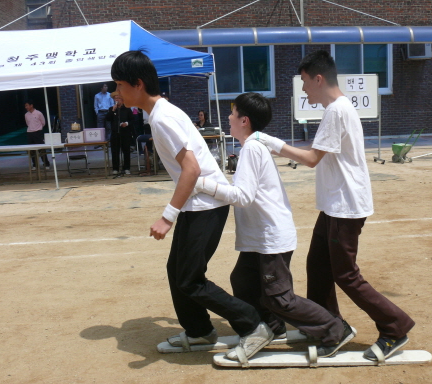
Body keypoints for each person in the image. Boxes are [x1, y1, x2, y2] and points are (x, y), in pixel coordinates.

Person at [111, 50, 273, 362]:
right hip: (197, 204)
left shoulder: (162, 118)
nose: (116, 92)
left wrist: (167, 216)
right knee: (178, 271)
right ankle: (199, 330)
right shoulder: (160, 113)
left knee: (190, 279)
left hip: (206, 205)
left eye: (119, 85)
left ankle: (253, 325)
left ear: (138, 84)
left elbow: (192, 169)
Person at [256, 50, 415, 362]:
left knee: (346, 275)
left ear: (318, 79)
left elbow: (313, 159)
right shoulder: (336, 109)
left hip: (346, 207)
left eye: (304, 83)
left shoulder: (337, 111)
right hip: (333, 205)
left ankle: (395, 327)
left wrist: (271, 143)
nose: (303, 90)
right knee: (317, 267)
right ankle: (327, 326)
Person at [194, 92, 355, 360]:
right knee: (243, 281)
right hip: (260, 237)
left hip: (271, 238)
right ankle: (271, 327)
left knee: (279, 298)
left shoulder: (252, 149)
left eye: (232, 114)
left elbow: (242, 196)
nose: (229, 119)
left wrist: (203, 185)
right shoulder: (253, 148)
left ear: (244, 120)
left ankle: (335, 329)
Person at [105, 92, 134, 175]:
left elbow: (132, 120)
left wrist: (127, 123)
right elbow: (107, 119)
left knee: (126, 151)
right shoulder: (111, 109)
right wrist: (113, 110)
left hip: (125, 133)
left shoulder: (127, 109)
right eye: (116, 98)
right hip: (115, 133)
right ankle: (115, 168)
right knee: (115, 151)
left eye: (119, 98)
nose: (117, 100)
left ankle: (126, 168)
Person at [24, 100, 49, 170]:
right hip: (30, 133)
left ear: (31, 105)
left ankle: (46, 163)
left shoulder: (38, 113)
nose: (26, 107)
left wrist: (38, 128)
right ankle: (35, 164)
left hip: (38, 132)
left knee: (41, 149)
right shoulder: (26, 115)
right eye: (25, 106)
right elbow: (27, 123)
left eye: (27, 105)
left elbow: (43, 122)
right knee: (32, 150)